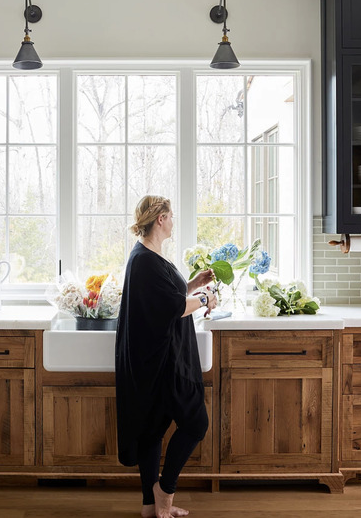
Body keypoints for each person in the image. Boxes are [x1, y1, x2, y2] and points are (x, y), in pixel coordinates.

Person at [115, 195, 217, 518]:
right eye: (171, 215)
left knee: (152, 429)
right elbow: (171, 307)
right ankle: (164, 490)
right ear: (160, 218)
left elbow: (165, 297)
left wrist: (192, 285)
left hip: (155, 359)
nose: (173, 220)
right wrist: (204, 298)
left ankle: (150, 506)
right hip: (164, 363)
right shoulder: (144, 259)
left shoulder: (146, 255)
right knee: (196, 423)